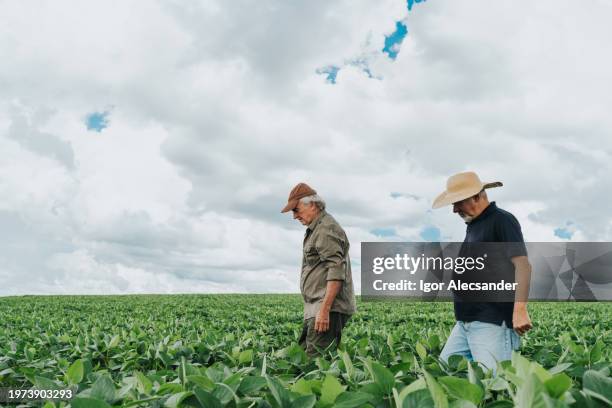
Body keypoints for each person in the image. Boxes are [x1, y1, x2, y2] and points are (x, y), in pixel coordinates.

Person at [432, 171, 532, 371]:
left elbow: (523, 265)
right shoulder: (474, 225)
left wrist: (520, 310)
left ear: (477, 196)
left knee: (495, 383)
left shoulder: (501, 220)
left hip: (492, 321)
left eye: (458, 202)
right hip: (465, 323)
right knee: (444, 370)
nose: (454, 210)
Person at [281, 182, 356, 356]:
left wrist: (324, 310)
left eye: (296, 210)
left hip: (326, 308)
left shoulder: (325, 229)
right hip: (316, 308)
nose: (294, 216)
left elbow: (336, 270)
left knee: (315, 363)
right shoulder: (316, 228)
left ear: (312, 205)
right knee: (301, 356)